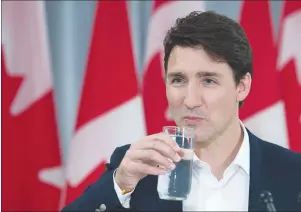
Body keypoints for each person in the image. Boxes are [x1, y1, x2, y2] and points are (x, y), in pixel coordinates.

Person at [62, 11, 301, 211]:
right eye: (178, 80)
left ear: (242, 86)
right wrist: (119, 184)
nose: (190, 100)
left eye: (208, 80)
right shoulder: (136, 170)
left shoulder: (292, 174)